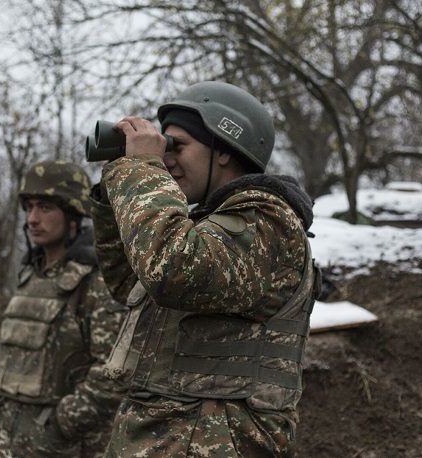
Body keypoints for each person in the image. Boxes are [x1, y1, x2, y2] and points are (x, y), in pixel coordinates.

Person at [88, 81, 321, 457]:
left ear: (224, 149)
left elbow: (172, 270)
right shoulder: (201, 229)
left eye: (176, 145)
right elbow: (131, 282)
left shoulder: (267, 222)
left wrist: (142, 170)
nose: (165, 158)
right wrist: (119, 182)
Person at [0, 159, 126, 458]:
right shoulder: (30, 275)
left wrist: (61, 424)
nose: (32, 219)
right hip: (11, 443)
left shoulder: (95, 281)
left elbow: (114, 374)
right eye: (29, 208)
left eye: (45, 208)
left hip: (63, 447)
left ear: (73, 214)